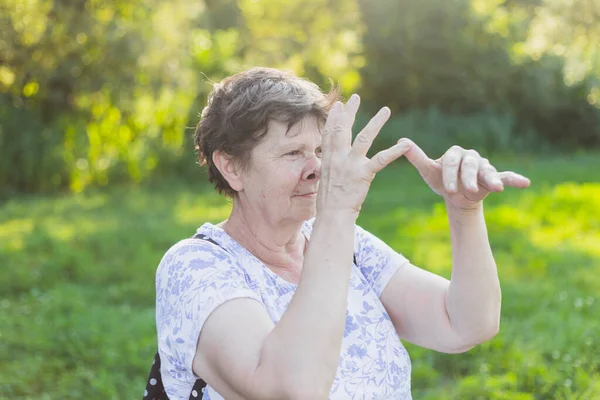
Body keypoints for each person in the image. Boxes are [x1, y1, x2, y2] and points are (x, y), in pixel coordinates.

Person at [154, 67, 530, 400]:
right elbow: (292, 389)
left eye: (321, 149)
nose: (318, 167)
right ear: (231, 167)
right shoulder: (194, 266)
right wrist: (336, 215)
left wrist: (463, 208)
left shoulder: (342, 241)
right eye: (292, 153)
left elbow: (466, 324)